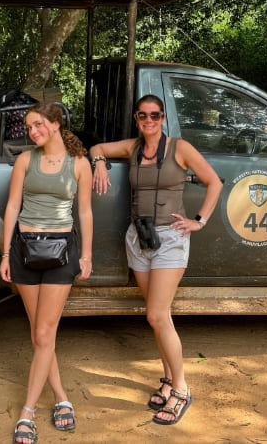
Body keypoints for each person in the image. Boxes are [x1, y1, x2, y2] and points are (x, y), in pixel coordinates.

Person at [89, 94, 222, 426]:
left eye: (155, 115)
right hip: (138, 237)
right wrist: (99, 163)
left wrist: (199, 220)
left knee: (157, 314)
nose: (149, 120)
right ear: (137, 117)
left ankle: (181, 389)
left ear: (163, 118)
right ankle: (166, 379)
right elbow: (97, 148)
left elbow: (214, 182)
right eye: (143, 115)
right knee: (156, 318)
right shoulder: (133, 147)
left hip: (170, 239)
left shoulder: (180, 148)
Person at [0, 102, 93, 444]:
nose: (33, 132)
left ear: (55, 124)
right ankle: (62, 397)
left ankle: (27, 412)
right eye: (29, 127)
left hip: (61, 252)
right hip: (25, 249)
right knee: (42, 337)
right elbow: (12, 206)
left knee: (43, 333)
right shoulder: (25, 161)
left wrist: (86, 255)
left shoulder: (78, 163)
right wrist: (6, 252)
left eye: (38, 125)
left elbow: (84, 211)